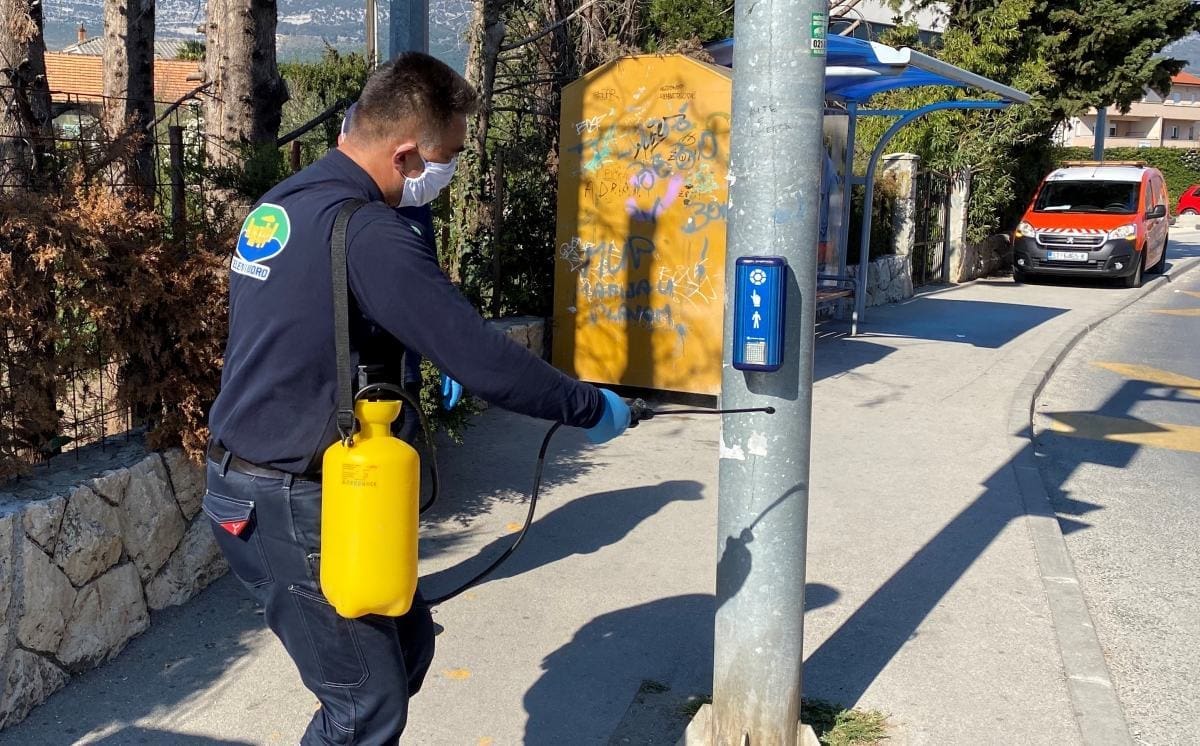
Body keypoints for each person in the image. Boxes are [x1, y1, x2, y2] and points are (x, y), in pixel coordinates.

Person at [204, 52, 630, 744]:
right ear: (404, 155)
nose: (449, 174)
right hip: (291, 501)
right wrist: (586, 407)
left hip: (270, 481)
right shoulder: (367, 231)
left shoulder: (286, 204)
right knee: (363, 708)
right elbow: (483, 356)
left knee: (406, 649)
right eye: (448, 157)